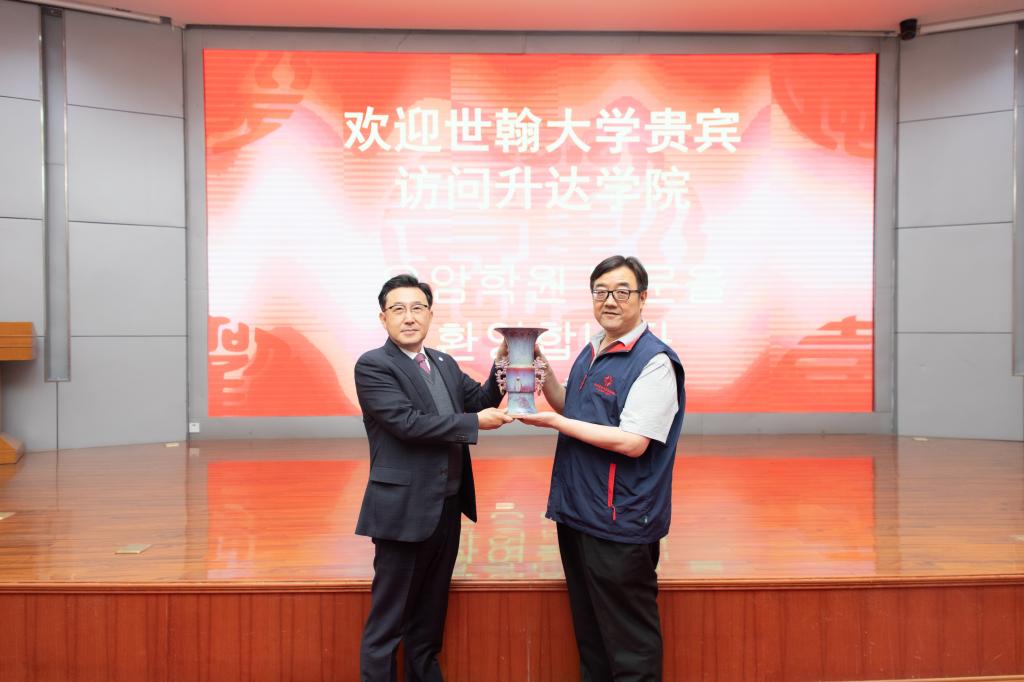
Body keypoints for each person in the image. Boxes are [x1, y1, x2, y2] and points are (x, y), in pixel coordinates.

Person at [519, 255, 685, 682]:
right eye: (601, 291)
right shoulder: (594, 347)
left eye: (622, 291)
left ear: (643, 298)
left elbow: (633, 442)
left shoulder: (654, 361)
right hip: (577, 513)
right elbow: (569, 405)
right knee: (592, 640)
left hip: (619, 521)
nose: (610, 300)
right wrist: (539, 368)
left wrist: (554, 423)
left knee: (630, 647)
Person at [354, 273, 513, 682]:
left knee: (429, 620)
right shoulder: (374, 365)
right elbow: (407, 423)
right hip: (403, 512)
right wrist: (475, 422)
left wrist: (504, 361)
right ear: (383, 318)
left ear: (429, 314)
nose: (409, 317)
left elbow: (480, 400)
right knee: (388, 625)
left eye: (417, 308)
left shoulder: (443, 362)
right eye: (398, 309)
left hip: (446, 507)